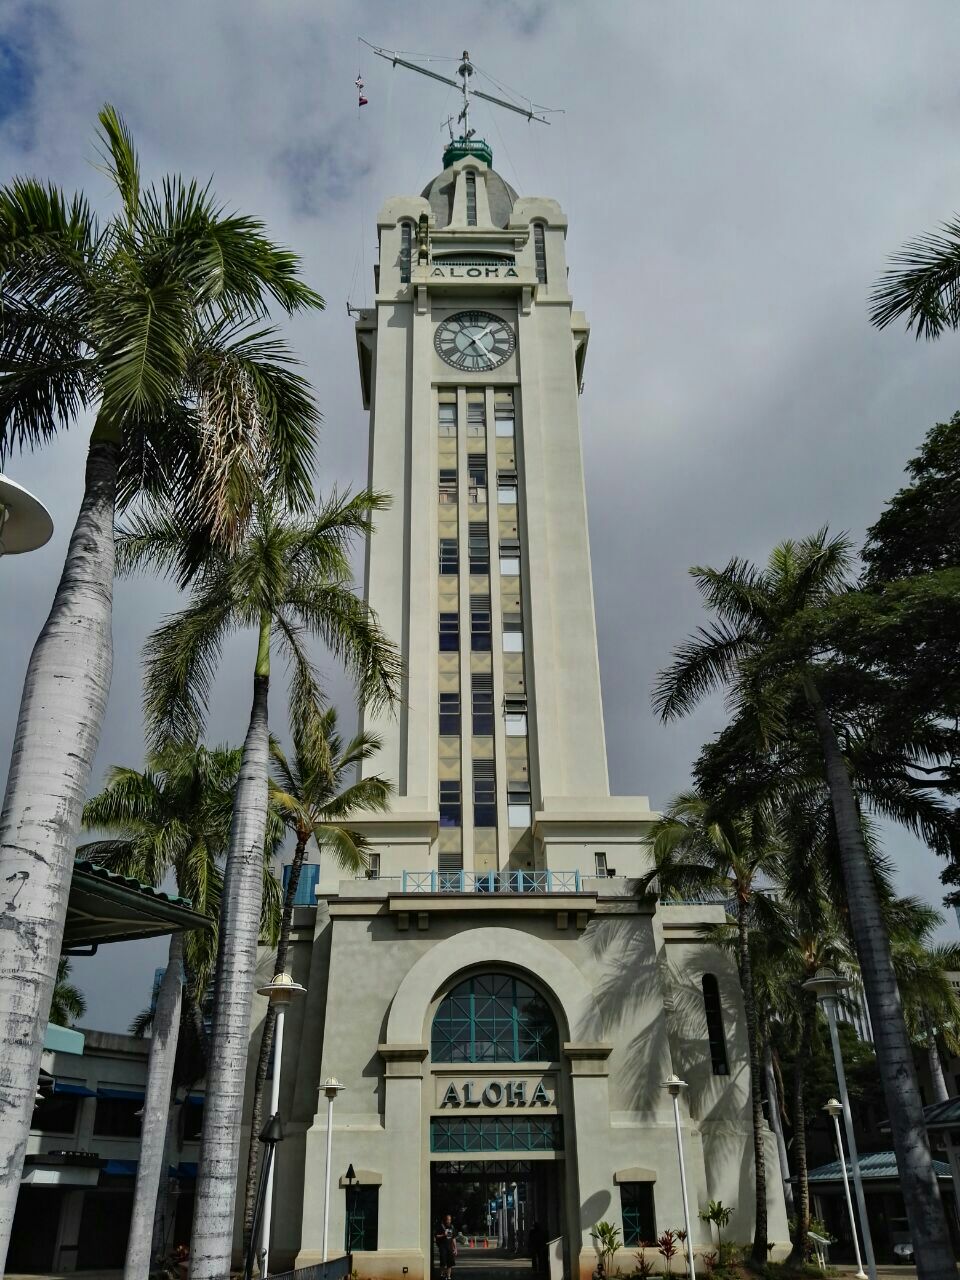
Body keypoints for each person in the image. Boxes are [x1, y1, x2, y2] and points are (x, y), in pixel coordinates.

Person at [436, 1213, 458, 1280]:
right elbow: (436, 1236)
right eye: (447, 1219)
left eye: (450, 1219)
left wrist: (455, 1248)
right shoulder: (441, 1226)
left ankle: (448, 1276)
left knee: (450, 1263)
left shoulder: (452, 1227)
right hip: (443, 1247)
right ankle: (442, 1275)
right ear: (445, 1220)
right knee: (443, 1262)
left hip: (450, 1247)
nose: (449, 1221)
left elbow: (453, 1238)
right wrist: (443, 1235)